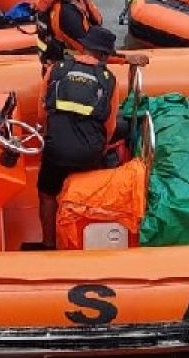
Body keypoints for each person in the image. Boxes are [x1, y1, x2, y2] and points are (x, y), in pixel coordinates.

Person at [30, 26, 125, 250]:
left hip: (57, 149)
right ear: (104, 55)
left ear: (84, 47)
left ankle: (49, 243)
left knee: (46, 193)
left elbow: (42, 113)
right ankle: (81, 242)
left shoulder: (57, 69)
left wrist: (50, 137)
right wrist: (99, 151)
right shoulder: (108, 80)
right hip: (89, 152)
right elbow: (109, 128)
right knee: (88, 193)